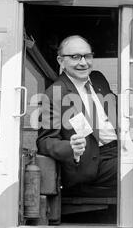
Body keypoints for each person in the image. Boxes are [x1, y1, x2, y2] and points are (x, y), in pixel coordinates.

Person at [37, 35, 117, 197]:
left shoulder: (98, 79)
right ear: (61, 61)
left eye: (87, 56)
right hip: (92, 162)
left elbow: (115, 112)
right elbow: (44, 142)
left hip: (120, 150)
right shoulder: (54, 94)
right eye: (75, 57)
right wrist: (70, 147)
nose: (83, 62)